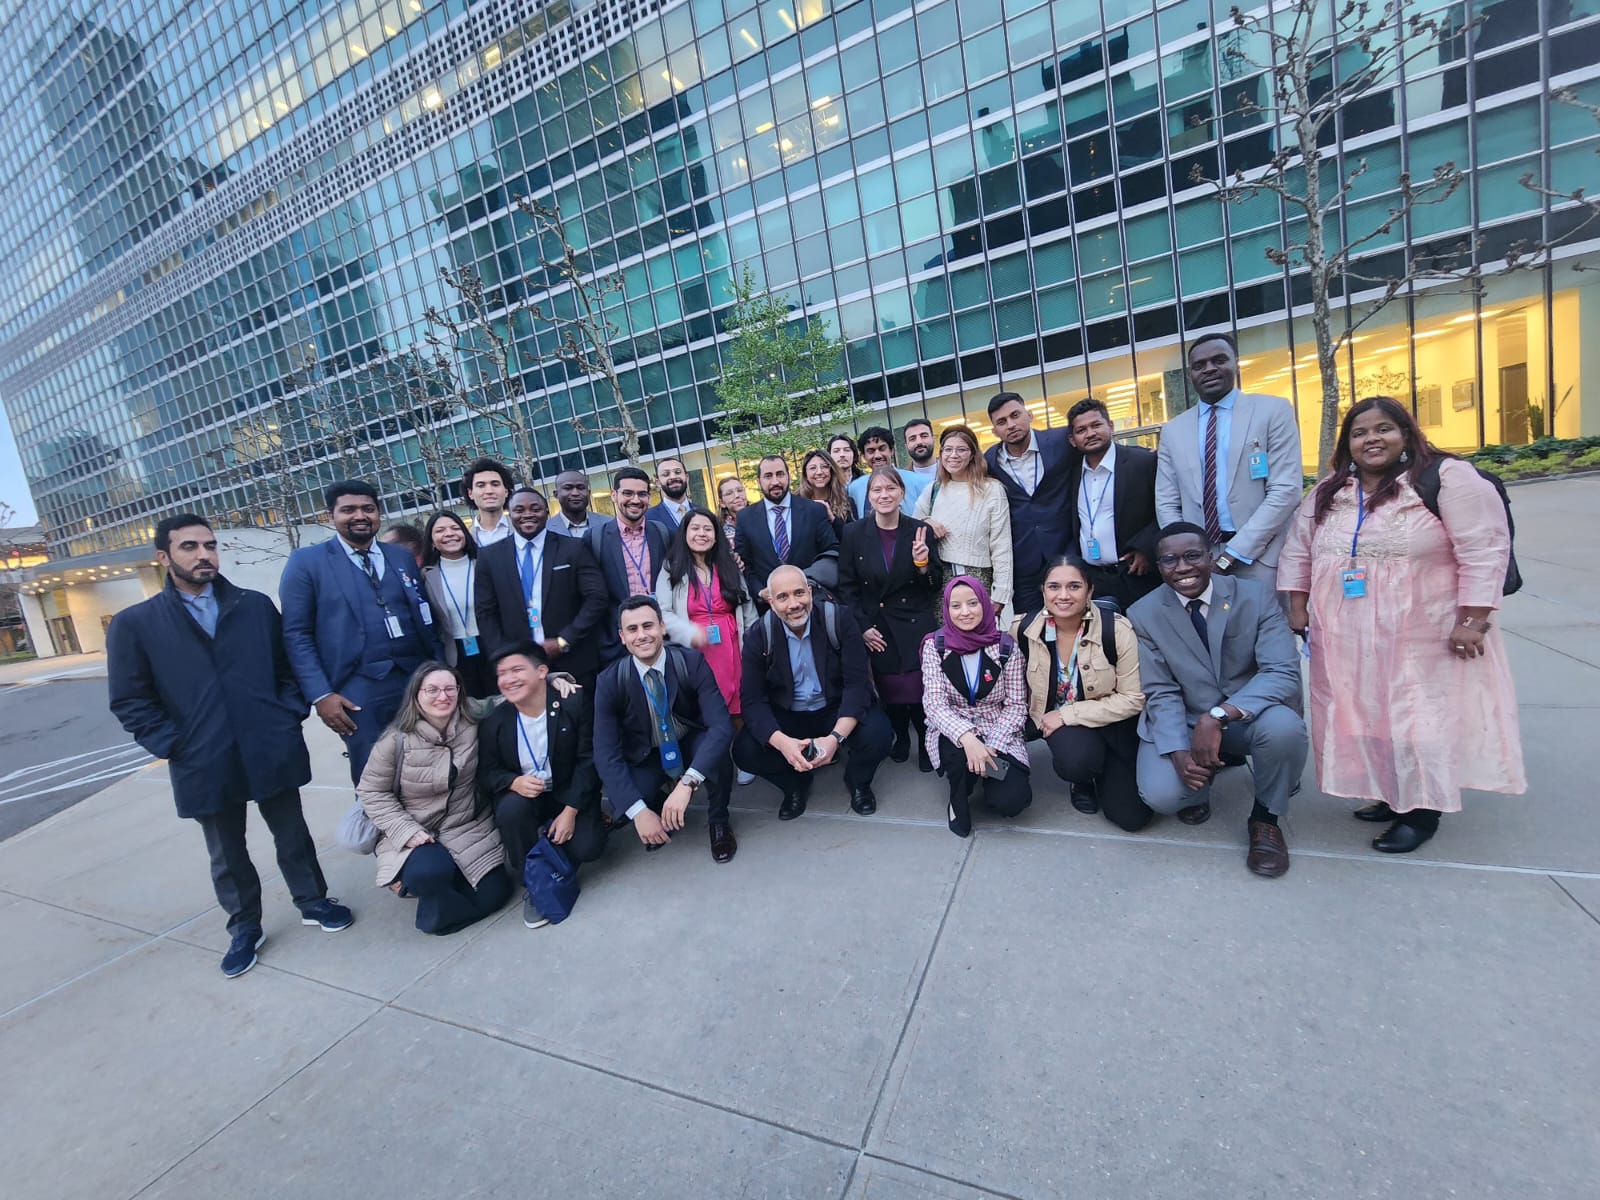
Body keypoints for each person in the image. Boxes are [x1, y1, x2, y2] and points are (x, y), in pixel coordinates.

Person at [1279, 395, 1525, 854]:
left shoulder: (1446, 479)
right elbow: (1298, 549)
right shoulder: (1331, 490)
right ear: (1347, 444)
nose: (1371, 439)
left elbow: (1484, 549)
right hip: (1347, 634)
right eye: (1359, 433)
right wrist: (1297, 606)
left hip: (1422, 630)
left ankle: (1422, 810)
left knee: (1418, 719)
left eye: (1383, 429)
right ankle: (1392, 793)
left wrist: (1473, 619)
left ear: (1406, 434)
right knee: (1369, 716)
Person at [108, 515, 350, 978]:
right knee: (226, 850)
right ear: (163, 557)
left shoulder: (253, 606)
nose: (204, 555)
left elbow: (287, 669)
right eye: (189, 547)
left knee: (292, 833)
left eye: (210, 545)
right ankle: (244, 927)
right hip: (203, 756)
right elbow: (130, 700)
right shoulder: (135, 624)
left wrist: (286, 715)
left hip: (268, 743)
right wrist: (174, 744)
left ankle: (313, 901)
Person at [1130, 523, 1308, 878]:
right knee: (1162, 795)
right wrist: (1178, 751)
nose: (1182, 567)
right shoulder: (1143, 613)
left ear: (1211, 557)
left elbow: (1282, 671)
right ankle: (1202, 780)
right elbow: (1161, 690)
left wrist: (1219, 714)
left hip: (1247, 714)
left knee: (1284, 729)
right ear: (1159, 566)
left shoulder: (1255, 596)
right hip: (1187, 719)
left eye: (1192, 555)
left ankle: (1265, 818)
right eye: (1170, 560)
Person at [280, 481, 441, 785]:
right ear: (331, 515)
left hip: (414, 678)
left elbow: (424, 617)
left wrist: (439, 669)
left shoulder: (400, 557)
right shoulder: (307, 563)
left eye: (368, 508)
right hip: (356, 689)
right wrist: (321, 694)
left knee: (428, 767)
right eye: (348, 510)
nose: (360, 516)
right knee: (376, 777)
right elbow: (296, 634)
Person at [358, 663, 510, 935]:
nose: (443, 696)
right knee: (429, 872)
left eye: (450, 688)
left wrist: (553, 680)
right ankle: (423, 888)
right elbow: (372, 792)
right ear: (416, 694)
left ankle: (442, 904)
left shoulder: (470, 716)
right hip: (414, 829)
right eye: (432, 690)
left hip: (465, 827)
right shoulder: (395, 740)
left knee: (496, 894)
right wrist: (406, 831)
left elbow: (512, 695)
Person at [734, 565, 894, 818]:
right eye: (783, 597)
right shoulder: (758, 635)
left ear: (810, 592)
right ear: (771, 603)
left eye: (799, 593)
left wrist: (835, 739)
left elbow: (857, 684)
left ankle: (858, 781)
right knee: (745, 752)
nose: (794, 604)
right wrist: (783, 744)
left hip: (834, 706)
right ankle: (794, 785)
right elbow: (752, 701)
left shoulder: (839, 619)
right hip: (789, 712)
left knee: (879, 735)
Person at [1155, 332, 1302, 595]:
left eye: (1219, 360)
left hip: (1262, 557)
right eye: (1199, 365)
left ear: (1236, 363)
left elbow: (1286, 491)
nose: (1209, 369)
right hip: (1200, 564)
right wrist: (1187, 555)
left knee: (1268, 622)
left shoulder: (1272, 411)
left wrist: (1234, 553)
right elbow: (1167, 501)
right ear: (1190, 374)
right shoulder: (1173, 430)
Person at [594, 597, 738, 862]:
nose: (641, 635)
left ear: (662, 627)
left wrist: (688, 783)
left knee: (716, 757)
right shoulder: (609, 681)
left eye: (648, 626)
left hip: (688, 741)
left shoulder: (691, 662)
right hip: (647, 752)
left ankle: (719, 820)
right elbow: (605, 754)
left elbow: (721, 727)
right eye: (632, 629)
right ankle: (658, 809)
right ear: (622, 637)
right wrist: (638, 812)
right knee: (626, 796)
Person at [1014, 557, 1150, 832]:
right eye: (1054, 586)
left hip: (1114, 724)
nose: (1063, 595)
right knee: (1076, 761)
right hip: (1067, 732)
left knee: (1131, 818)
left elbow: (1133, 698)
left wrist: (1068, 713)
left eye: (1074, 586)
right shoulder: (1023, 629)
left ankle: (1110, 771)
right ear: (1043, 591)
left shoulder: (1117, 630)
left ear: (1090, 591)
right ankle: (1083, 780)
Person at [478, 644, 607, 928]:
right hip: (526, 797)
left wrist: (571, 811)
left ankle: (552, 852)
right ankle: (534, 883)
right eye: (502, 674)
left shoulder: (573, 702)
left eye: (516, 670)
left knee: (589, 847)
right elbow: (487, 773)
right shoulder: (495, 721)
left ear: (542, 672)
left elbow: (589, 760)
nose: (508, 679)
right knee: (511, 809)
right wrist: (513, 781)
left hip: (567, 792)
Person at [839, 465, 943, 772]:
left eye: (890, 488)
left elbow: (934, 584)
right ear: (869, 496)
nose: (884, 495)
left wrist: (923, 565)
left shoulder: (919, 530)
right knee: (891, 689)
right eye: (877, 490)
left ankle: (925, 739)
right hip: (877, 625)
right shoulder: (853, 533)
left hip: (914, 622)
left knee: (920, 689)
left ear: (902, 493)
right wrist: (863, 627)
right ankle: (901, 736)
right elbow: (847, 587)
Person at [920, 576, 1032, 837]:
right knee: (958, 757)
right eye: (956, 606)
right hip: (954, 724)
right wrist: (968, 738)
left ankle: (983, 774)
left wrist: (992, 745)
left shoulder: (1006, 648)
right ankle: (958, 796)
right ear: (946, 609)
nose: (965, 612)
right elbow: (934, 704)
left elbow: (1016, 705)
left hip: (996, 726)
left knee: (1012, 801)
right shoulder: (935, 646)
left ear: (985, 604)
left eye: (973, 603)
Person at [474, 487, 608, 685]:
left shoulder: (573, 548)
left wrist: (564, 640)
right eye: (519, 510)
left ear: (547, 512)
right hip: (519, 666)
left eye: (535, 509)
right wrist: (505, 655)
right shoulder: (490, 557)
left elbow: (596, 598)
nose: (528, 514)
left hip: (573, 658)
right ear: (509, 514)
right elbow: (485, 612)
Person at [655, 508, 758, 714]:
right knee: (707, 706)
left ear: (716, 535)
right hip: (695, 647)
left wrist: (752, 645)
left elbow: (748, 608)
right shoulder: (671, 568)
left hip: (732, 646)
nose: (701, 534)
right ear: (684, 534)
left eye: (707, 529)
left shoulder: (729, 564)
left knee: (740, 707)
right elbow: (663, 612)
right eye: (695, 528)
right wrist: (689, 633)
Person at [984, 391, 1076, 616]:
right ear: (994, 430)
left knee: (1077, 623)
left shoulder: (1061, 441)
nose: (1011, 424)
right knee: (1031, 628)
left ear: (1030, 415)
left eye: (1015, 415)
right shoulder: (989, 461)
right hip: (1023, 564)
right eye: (1002, 422)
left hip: (1066, 552)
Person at [1066, 397, 1161, 611]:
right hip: (1095, 579)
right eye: (1081, 430)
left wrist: (1146, 548)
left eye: (1096, 425)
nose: (1090, 433)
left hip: (1137, 573)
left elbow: (1165, 509)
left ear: (1110, 426)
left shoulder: (1142, 462)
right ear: (1072, 440)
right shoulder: (1072, 473)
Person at [912, 424, 1013, 616]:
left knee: (978, 632)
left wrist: (1001, 593)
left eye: (961, 450)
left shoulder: (992, 490)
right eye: (948, 449)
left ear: (972, 454)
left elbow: (1002, 545)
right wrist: (926, 521)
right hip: (941, 578)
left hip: (979, 577)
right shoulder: (933, 490)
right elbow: (911, 527)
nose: (953, 455)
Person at [587, 467, 671, 660]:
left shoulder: (662, 533)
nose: (635, 500)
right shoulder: (595, 538)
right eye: (627, 493)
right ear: (614, 495)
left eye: (642, 494)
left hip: (662, 637)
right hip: (617, 643)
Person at [734, 455, 839, 605]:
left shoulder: (814, 510)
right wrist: (760, 591)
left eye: (780, 474)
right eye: (768, 476)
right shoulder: (745, 518)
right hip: (769, 605)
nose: (775, 482)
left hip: (812, 600)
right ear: (759, 481)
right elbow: (744, 564)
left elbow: (832, 551)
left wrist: (806, 581)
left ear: (789, 476)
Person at [420, 512, 492, 699]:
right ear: (431, 541)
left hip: (491, 647)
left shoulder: (485, 564)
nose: (449, 534)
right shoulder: (427, 576)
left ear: (465, 534)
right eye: (440, 531)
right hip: (454, 654)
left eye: (455, 528)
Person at [847, 425, 930, 517]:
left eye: (882, 449)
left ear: (892, 451)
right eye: (871, 451)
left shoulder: (920, 483)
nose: (877, 456)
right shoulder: (855, 488)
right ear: (864, 456)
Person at [798, 449, 853, 540]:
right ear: (805, 474)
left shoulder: (846, 501)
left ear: (831, 470)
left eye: (824, 467)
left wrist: (832, 519)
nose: (819, 472)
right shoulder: (796, 502)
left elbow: (853, 538)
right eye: (813, 468)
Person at [461, 458, 515, 547]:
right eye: (481, 486)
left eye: (495, 484)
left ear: (506, 491)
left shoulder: (522, 529)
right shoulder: (464, 539)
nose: (489, 491)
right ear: (470, 493)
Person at [548, 469, 615, 539]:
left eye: (581, 488)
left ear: (589, 493)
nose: (575, 493)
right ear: (556, 494)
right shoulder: (545, 530)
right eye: (568, 488)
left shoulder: (610, 524)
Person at [646, 457, 694, 530]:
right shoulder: (648, 518)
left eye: (677, 472)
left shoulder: (703, 513)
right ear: (658, 483)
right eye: (666, 474)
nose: (673, 477)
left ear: (687, 478)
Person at [717, 476, 749, 546]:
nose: (737, 495)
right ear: (722, 503)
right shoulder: (718, 528)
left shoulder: (761, 517)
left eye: (740, 490)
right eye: (729, 493)